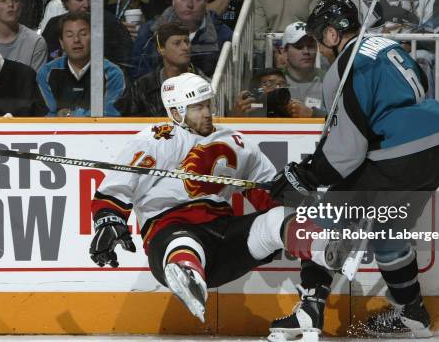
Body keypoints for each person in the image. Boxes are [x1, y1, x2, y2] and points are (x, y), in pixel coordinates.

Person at [88, 72, 341, 328]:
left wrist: (296, 206)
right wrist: (108, 220)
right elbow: (116, 189)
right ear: (176, 112)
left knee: (279, 219)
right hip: (170, 232)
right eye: (198, 107)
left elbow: (265, 195)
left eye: (208, 104)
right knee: (183, 240)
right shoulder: (155, 140)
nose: (207, 112)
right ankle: (186, 272)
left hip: (224, 240)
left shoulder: (236, 142)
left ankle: (324, 247)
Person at [267, 0, 439, 341]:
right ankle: (412, 313)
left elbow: (345, 154)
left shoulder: (345, 65)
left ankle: (310, 310)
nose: (321, 49)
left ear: (332, 34)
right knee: (387, 230)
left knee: (327, 210)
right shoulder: (386, 45)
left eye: (319, 38)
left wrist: (306, 175)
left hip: (397, 157)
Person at [131, 0, 232, 78]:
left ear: (206, 1)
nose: (189, 4)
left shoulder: (223, 36)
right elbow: (138, 78)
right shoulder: (149, 32)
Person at [36, 11, 126, 116]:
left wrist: (69, 114)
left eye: (83, 34)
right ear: (61, 43)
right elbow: (46, 116)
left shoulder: (112, 73)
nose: (76, 40)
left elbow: (109, 115)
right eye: (69, 35)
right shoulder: (46, 73)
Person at [41, 0, 132, 66]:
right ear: (65, 1)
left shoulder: (111, 24)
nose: (86, 5)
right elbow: (50, 55)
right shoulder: (54, 25)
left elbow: (125, 62)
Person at [233, 21, 326, 117]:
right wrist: (238, 113)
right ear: (284, 51)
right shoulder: (270, 81)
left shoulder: (329, 80)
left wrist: (313, 115)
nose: (306, 51)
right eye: (299, 46)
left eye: (310, 46)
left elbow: (340, 121)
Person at [122, 22, 206, 117]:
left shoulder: (204, 83)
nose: (185, 47)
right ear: (161, 49)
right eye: (177, 43)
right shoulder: (143, 86)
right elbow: (128, 122)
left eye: (187, 42)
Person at [0, 0, 48, 71]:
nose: (11, 4)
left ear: (21, 6)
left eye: (15, 0)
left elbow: (36, 83)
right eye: (4, 0)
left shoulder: (35, 43)